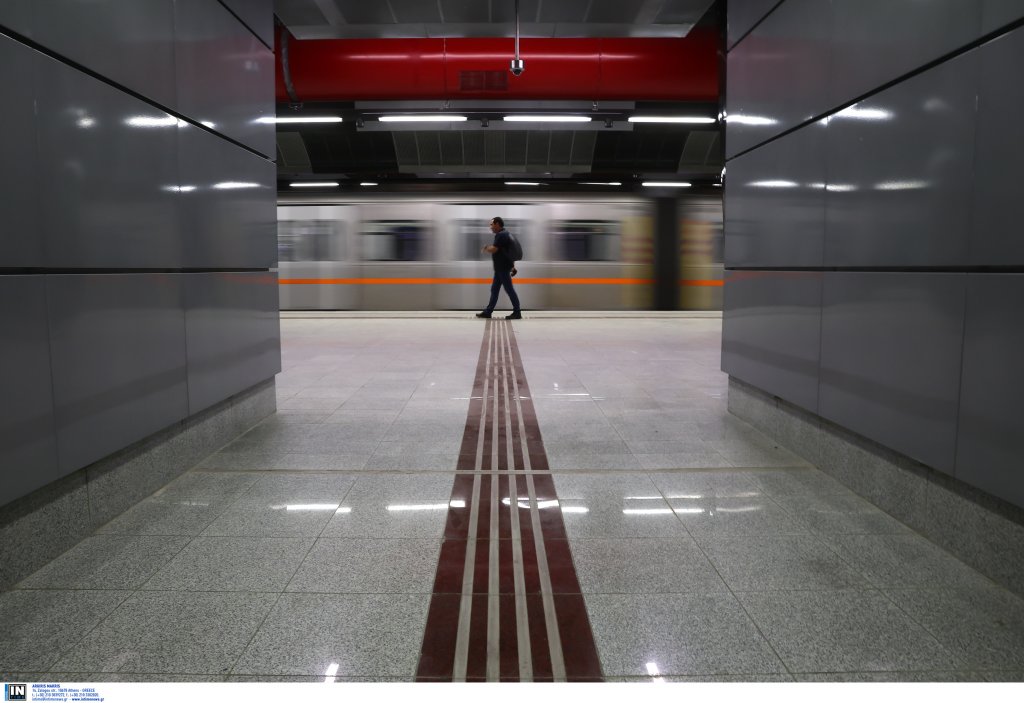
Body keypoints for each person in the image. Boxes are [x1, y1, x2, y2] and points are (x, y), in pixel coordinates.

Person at [475, 216, 522, 319]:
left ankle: (517, 312)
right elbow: (508, 252)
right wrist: (512, 267)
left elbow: (494, 249)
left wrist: (486, 248)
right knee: (495, 290)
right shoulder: (506, 234)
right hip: (500, 269)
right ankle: (488, 312)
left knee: (509, 290)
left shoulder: (501, 235)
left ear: (497, 224)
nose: (490, 227)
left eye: (491, 224)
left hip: (502, 269)